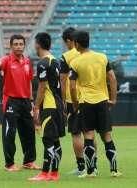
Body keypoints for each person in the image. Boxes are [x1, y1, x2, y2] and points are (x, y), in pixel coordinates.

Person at [69, 30, 122, 178]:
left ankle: (91, 171)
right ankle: (114, 170)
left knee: (89, 135)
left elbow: (72, 86)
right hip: (102, 100)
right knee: (107, 136)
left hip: (86, 102)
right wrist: (114, 98)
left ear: (77, 44)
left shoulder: (75, 62)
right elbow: (112, 78)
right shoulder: (102, 57)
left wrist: (74, 104)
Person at [0, 34, 39, 171]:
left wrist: (31, 101)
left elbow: (29, 82)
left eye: (20, 44)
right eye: (15, 44)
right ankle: (9, 164)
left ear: (24, 46)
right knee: (10, 132)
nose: (18, 47)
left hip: (26, 101)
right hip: (11, 101)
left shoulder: (28, 62)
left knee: (29, 131)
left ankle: (29, 161)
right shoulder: (7, 60)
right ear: (11, 46)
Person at [28, 32, 65, 181]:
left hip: (49, 106)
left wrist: (36, 107)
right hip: (57, 104)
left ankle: (44, 173)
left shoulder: (43, 63)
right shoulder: (55, 60)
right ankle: (54, 173)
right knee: (55, 140)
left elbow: (42, 88)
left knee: (48, 139)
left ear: (37, 44)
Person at [59, 27, 87, 175]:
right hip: (89, 98)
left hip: (73, 99)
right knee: (89, 132)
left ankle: (81, 167)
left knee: (76, 133)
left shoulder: (66, 56)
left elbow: (63, 80)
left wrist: (63, 101)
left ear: (69, 41)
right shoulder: (88, 53)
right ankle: (92, 164)